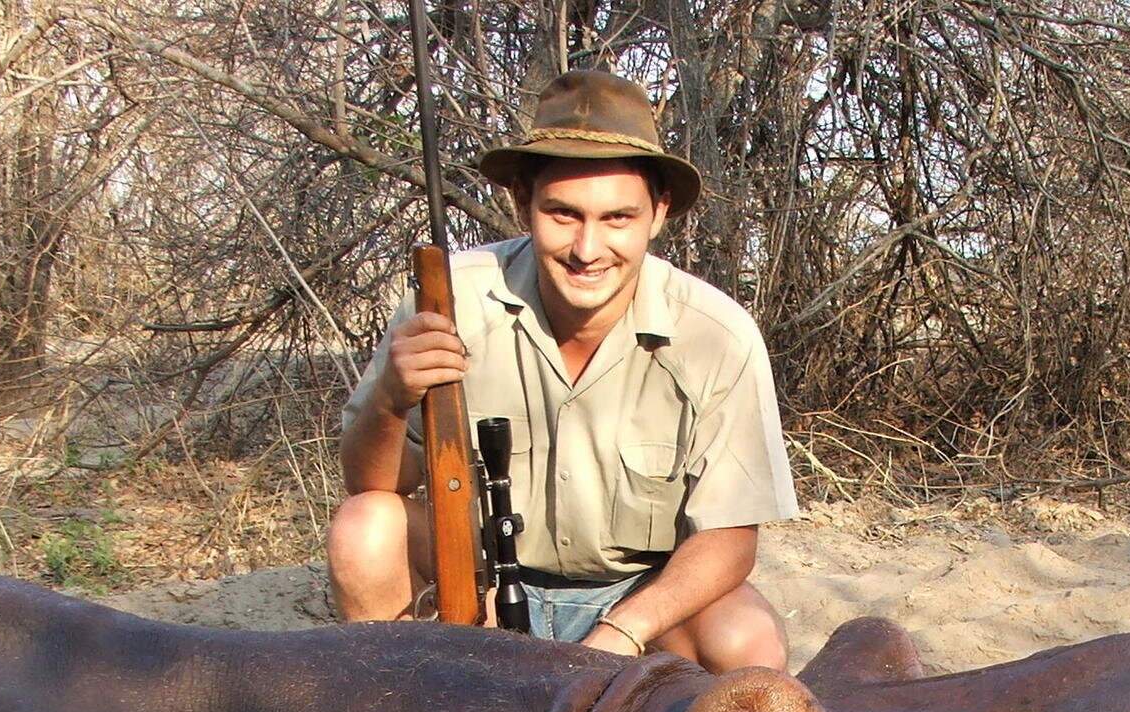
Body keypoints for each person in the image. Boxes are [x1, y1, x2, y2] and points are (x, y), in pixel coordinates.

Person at [330, 70, 798, 670]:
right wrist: (392, 400)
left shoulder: (716, 334)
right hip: (480, 583)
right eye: (563, 214)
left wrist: (621, 632)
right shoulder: (446, 300)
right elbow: (369, 485)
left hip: (638, 601)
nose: (586, 248)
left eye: (617, 219)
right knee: (364, 528)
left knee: (746, 643)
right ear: (522, 202)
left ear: (658, 213)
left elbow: (731, 540)